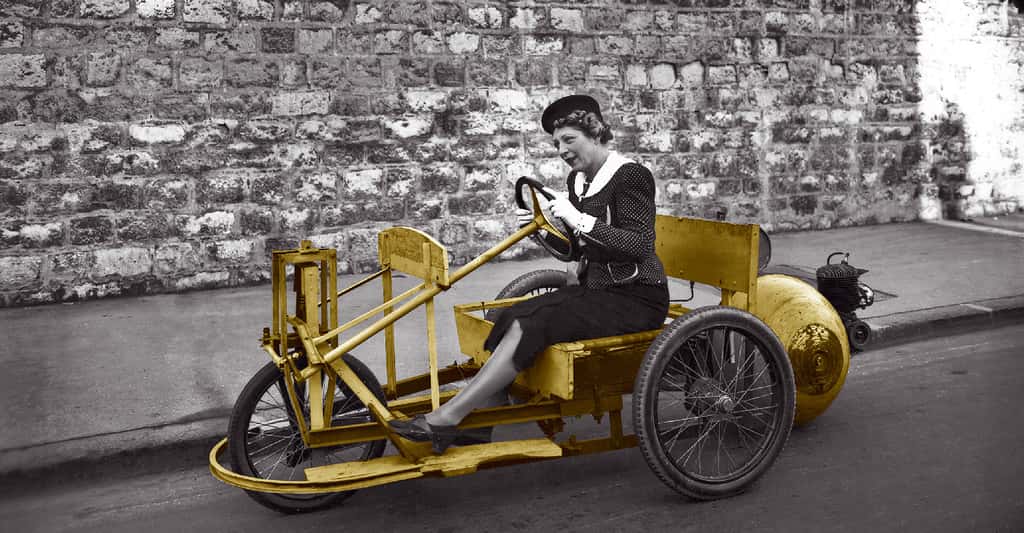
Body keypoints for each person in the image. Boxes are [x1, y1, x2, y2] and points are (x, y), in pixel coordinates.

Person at [389, 94, 670, 454]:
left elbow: (639, 245)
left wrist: (577, 218)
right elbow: (575, 249)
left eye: (570, 139)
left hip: (636, 296)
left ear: (596, 132)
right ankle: (482, 420)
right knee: (512, 313)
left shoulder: (630, 176)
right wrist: (543, 228)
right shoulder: (578, 181)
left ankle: (448, 419)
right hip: (599, 292)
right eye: (557, 143)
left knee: (533, 323)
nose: (562, 150)